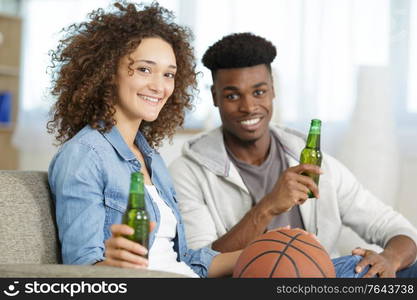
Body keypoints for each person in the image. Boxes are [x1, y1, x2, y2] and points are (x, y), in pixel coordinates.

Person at [169, 32, 417, 278]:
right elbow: (199, 268)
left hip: (320, 278)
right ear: (215, 97)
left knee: (392, 268)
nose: (248, 107)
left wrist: (389, 260)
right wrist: (267, 208)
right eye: (233, 95)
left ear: (273, 90)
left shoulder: (309, 160)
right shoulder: (188, 173)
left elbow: (398, 229)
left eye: (259, 92)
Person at [47, 2, 242, 278]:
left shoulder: (151, 158)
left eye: (168, 74)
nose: (159, 86)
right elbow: (80, 270)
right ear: (107, 72)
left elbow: (182, 261)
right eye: (144, 69)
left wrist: (254, 253)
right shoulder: (85, 155)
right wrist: (113, 264)